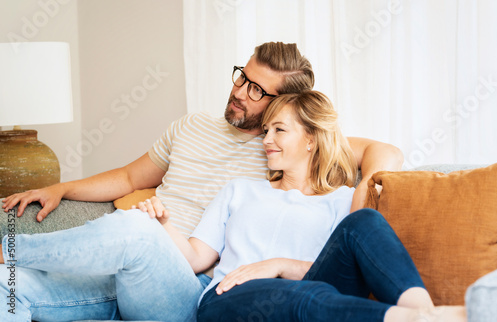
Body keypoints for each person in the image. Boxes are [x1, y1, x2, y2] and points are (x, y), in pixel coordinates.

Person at [0, 42, 403, 321]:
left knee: (137, 232)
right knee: (8, 286)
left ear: (283, 107)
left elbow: (384, 152)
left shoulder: (282, 147)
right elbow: (127, 176)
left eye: (257, 90)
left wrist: (361, 197)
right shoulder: (192, 126)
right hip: (133, 267)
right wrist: (62, 188)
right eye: (242, 77)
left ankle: (9, 248)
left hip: (187, 280)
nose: (240, 91)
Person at [144, 90, 466, 322]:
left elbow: (339, 269)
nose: (267, 139)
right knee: (306, 298)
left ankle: (426, 311)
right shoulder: (239, 190)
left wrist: (280, 265)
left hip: (315, 288)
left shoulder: (342, 199)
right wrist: (163, 224)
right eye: (266, 130)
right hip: (231, 298)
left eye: (279, 130)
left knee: (364, 221)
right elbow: (197, 258)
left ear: (311, 139)